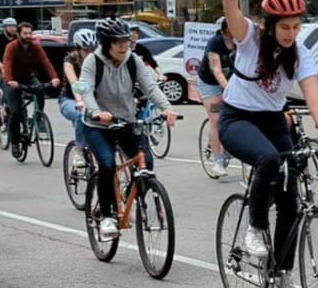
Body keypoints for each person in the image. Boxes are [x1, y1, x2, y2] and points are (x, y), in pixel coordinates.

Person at [217, 0, 318, 288]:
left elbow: (315, 98)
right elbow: (230, 9)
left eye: (296, 26)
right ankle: (255, 228)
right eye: (285, 26)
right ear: (270, 25)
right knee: (268, 159)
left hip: (273, 121)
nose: (290, 33)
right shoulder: (250, 38)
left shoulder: (300, 54)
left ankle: (286, 276)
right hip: (236, 118)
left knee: (291, 201)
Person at [79, 18, 177, 240]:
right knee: (106, 164)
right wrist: (96, 112)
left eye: (126, 41)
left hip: (126, 122)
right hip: (98, 125)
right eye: (118, 42)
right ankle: (106, 216)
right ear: (106, 43)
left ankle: (135, 193)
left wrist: (167, 108)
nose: (124, 45)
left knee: (146, 163)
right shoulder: (93, 62)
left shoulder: (133, 60)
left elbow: (150, 86)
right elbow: (85, 90)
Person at [2, 21, 61, 159]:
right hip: (13, 81)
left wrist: (54, 78)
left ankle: (38, 117)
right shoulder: (12, 47)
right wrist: (9, 81)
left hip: (28, 77)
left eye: (30, 33)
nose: (28, 36)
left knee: (40, 89)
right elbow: (7, 64)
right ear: (19, 34)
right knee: (16, 112)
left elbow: (46, 62)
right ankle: (15, 143)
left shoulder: (35, 47)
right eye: (25, 33)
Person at [197, 16, 235, 177]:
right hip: (210, 83)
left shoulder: (241, 42)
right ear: (226, 30)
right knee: (216, 119)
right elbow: (217, 70)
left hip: (231, 80)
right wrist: (227, 89)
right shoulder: (215, 43)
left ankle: (219, 143)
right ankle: (217, 161)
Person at [59, 28, 96, 166]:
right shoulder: (69, 61)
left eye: (92, 50)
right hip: (69, 100)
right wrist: (80, 101)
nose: (89, 53)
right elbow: (74, 83)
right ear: (78, 49)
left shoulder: (97, 60)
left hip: (91, 100)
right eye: (86, 50)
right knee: (82, 115)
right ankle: (79, 151)